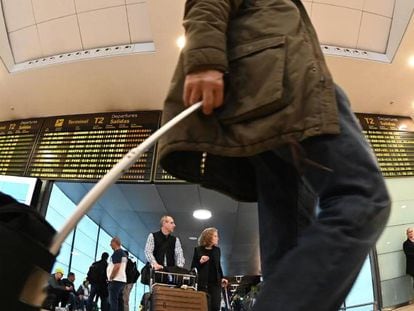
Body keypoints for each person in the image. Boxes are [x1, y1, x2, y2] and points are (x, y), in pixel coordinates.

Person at [158, 1, 391, 310]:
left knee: (287, 243)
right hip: (288, 87)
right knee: (362, 198)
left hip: (267, 95)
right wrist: (204, 59)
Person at [191, 228, 228, 311]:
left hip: (215, 284)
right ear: (208, 237)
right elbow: (193, 268)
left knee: (215, 307)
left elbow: (218, 266)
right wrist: (200, 262)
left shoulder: (217, 250)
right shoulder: (198, 250)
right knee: (204, 307)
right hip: (202, 284)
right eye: (215, 236)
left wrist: (222, 278)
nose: (217, 238)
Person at [107, 237, 127, 311]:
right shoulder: (124, 254)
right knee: (119, 302)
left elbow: (117, 266)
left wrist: (111, 277)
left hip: (116, 280)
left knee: (113, 302)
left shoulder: (117, 252)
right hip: (121, 280)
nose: (110, 245)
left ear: (115, 243)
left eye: (111, 243)